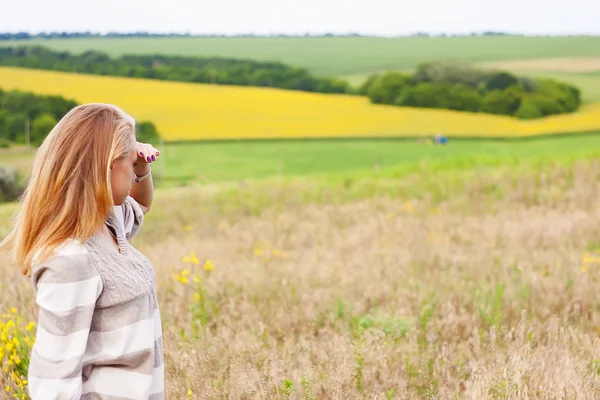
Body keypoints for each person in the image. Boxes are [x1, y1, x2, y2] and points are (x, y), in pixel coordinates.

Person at [0, 103, 164, 399]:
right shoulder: (69, 258)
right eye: (129, 160)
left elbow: (141, 205)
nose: (133, 169)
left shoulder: (108, 224)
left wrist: (141, 167)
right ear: (107, 166)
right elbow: (54, 382)